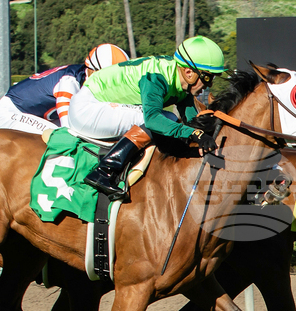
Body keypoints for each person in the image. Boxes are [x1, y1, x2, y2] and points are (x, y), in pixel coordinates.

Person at [72, 35, 225, 199]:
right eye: (207, 77)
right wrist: (194, 134)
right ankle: (104, 171)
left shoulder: (181, 81)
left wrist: (204, 134)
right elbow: (153, 120)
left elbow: (193, 123)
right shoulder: (157, 78)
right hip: (87, 109)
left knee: (170, 121)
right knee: (165, 119)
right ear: (189, 73)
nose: (209, 85)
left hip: (100, 104)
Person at [0, 43, 129, 133]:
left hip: (36, 115)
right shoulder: (69, 82)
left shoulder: (85, 77)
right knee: (63, 138)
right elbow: (69, 126)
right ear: (92, 70)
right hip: (9, 113)